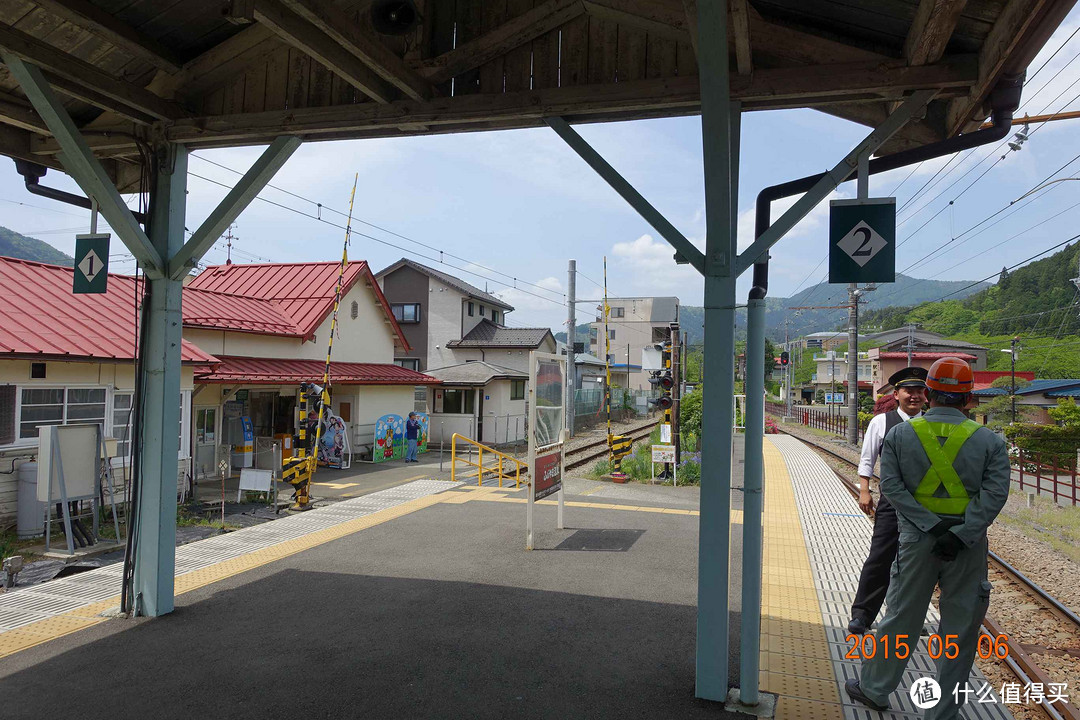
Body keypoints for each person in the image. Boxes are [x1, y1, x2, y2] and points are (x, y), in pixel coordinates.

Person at [846, 357, 1011, 720]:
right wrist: (960, 532)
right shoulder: (990, 442)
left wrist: (931, 527)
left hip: (917, 542)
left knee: (902, 616)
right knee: (961, 625)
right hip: (966, 547)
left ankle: (874, 689)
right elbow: (995, 494)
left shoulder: (901, 435)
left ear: (930, 393)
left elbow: (891, 486)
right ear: (969, 398)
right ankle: (943, 711)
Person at [847, 366, 928, 635]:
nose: (914, 396)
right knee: (880, 557)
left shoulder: (932, 423)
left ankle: (906, 618)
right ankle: (862, 614)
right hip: (892, 503)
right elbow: (868, 458)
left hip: (926, 506)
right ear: (897, 394)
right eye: (909, 391)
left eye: (919, 391)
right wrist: (864, 490)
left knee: (917, 565)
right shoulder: (882, 422)